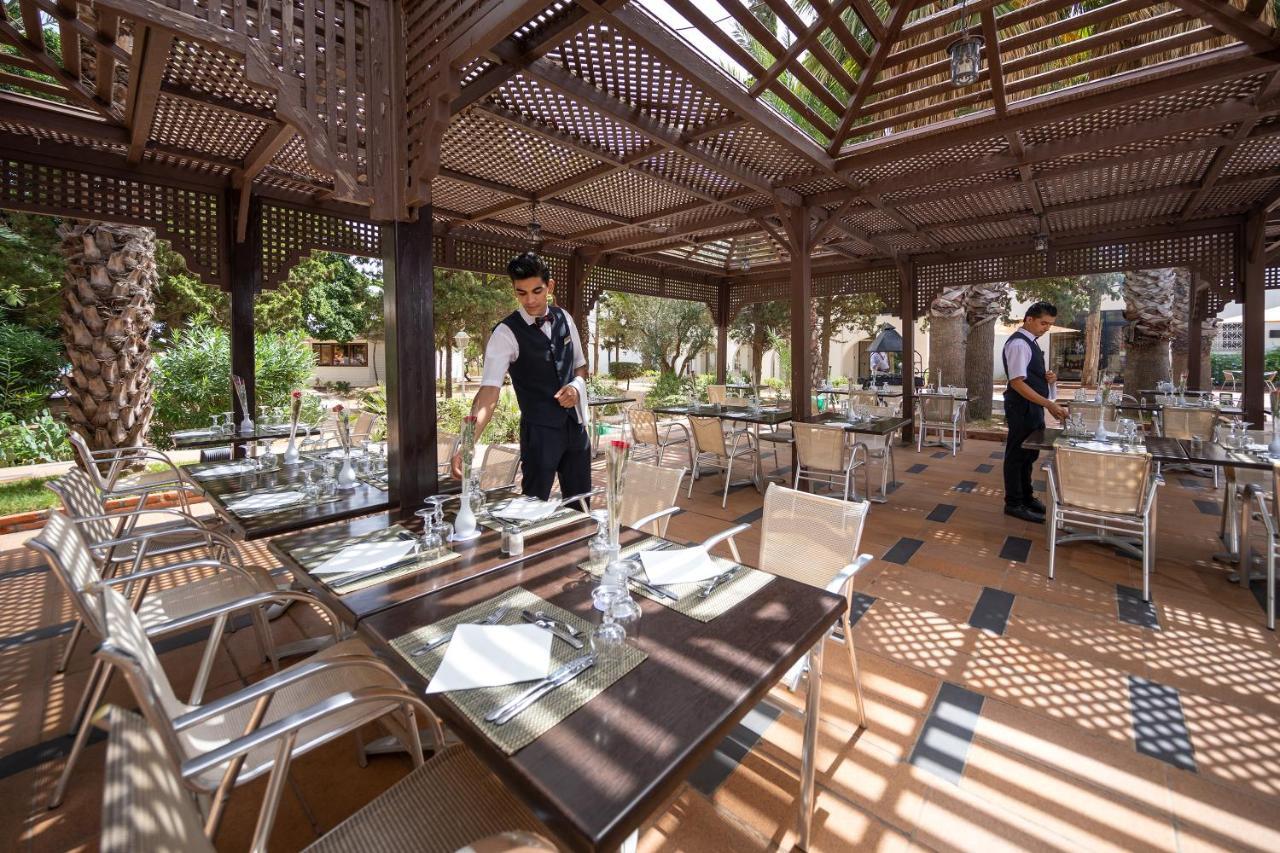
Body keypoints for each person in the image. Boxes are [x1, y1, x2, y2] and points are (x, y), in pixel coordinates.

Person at [451, 252, 591, 503]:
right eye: (521, 293)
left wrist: (576, 387)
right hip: (538, 435)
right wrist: (468, 442)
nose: (530, 300)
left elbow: (580, 367)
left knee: (581, 504)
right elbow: (489, 393)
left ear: (550, 286)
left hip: (576, 429)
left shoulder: (565, 318)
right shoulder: (505, 333)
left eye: (537, 291)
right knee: (531, 508)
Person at [1002, 301, 1068, 523]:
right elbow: (1017, 383)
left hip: (1031, 407)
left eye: (1050, 324)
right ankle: (1014, 503)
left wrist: (1049, 380)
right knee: (1017, 455)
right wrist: (1049, 404)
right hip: (1021, 407)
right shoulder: (1019, 344)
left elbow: (1028, 378)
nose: (1046, 328)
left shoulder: (1030, 343)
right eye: (1043, 323)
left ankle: (1026, 497)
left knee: (1029, 454)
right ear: (1029, 319)